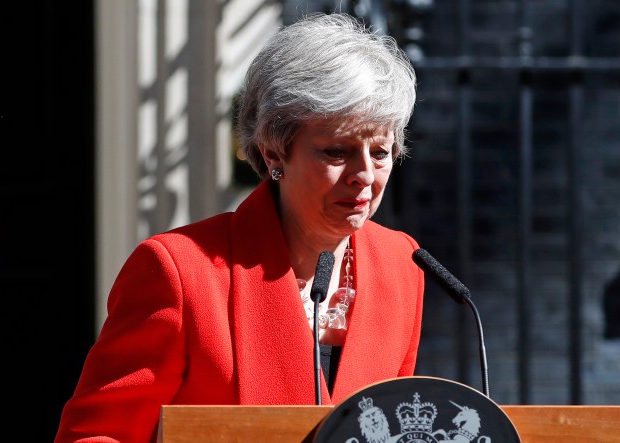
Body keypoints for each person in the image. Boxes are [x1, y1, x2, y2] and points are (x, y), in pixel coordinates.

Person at [55, 12, 423, 443]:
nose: (364, 174)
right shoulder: (179, 272)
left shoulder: (404, 264)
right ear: (274, 153)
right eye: (336, 151)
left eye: (380, 152)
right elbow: (97, 435)